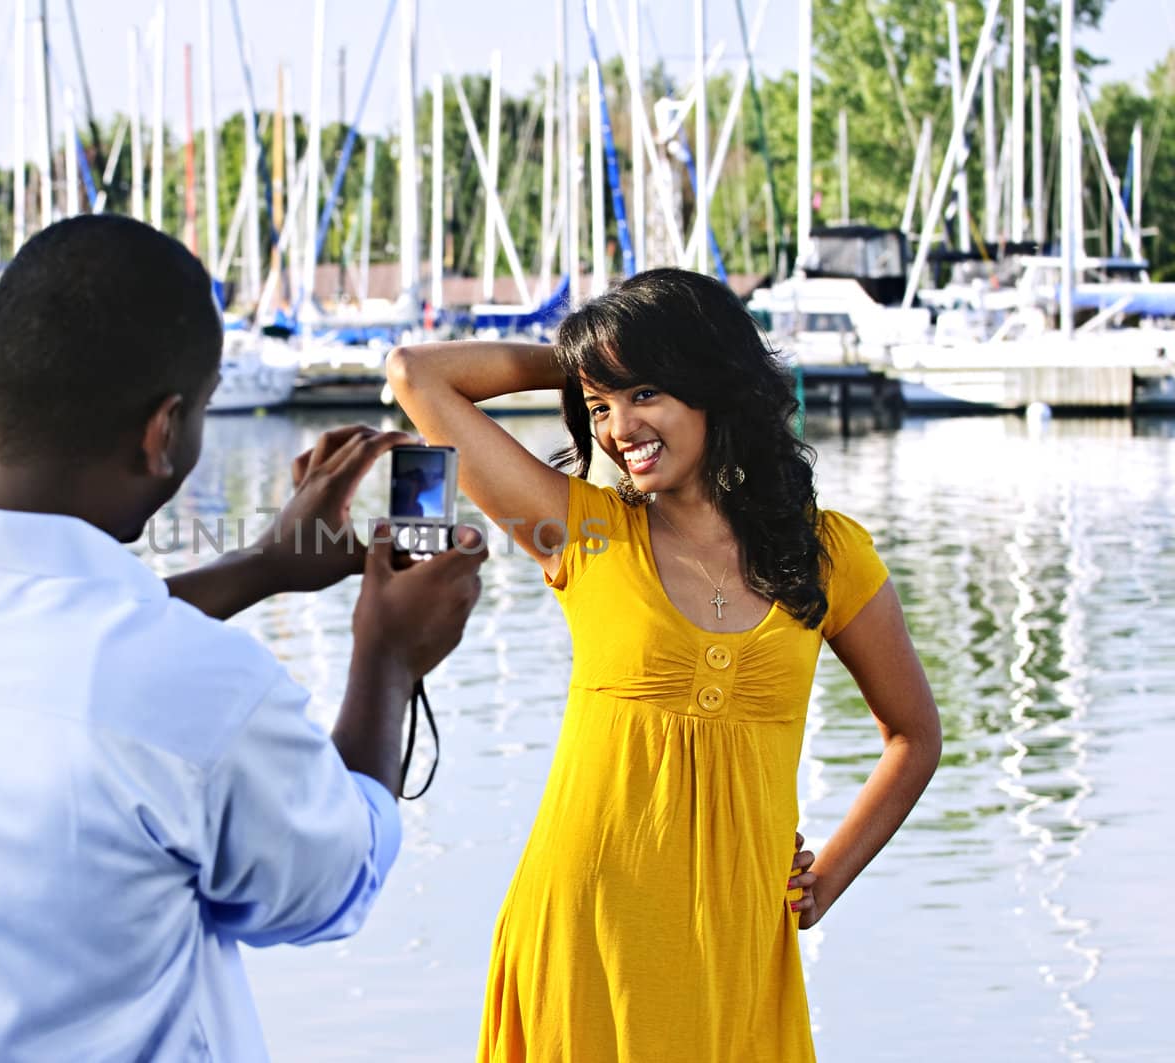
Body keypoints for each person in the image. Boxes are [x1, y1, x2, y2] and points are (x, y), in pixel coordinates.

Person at [0, 214, 488, 1061]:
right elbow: (334, 880)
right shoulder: (200, 694)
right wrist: (385, 654)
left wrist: (263, 567)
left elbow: (26, 648)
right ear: (164, 432)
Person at [387, 268, 942, 1062]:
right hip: (582, 938)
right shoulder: (579, 532)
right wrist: (590, 363)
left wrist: (825, 879)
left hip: (735, 951)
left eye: (644, 393)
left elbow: (914, 735)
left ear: (713, 382)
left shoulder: (831, 556)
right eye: (601, 405)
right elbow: (418, 375)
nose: (617, 429)